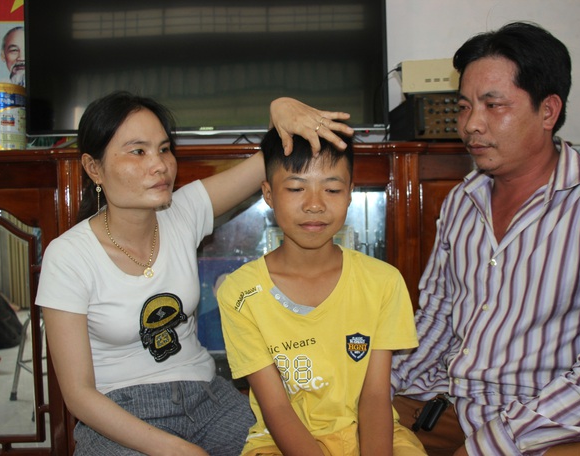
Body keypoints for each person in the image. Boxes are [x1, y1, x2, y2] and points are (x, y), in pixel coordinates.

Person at [35, 91, 354, 455]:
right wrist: (174, 448)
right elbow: (78, 394)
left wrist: (278, 108)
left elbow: (266, 159)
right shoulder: (68, 256)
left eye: (164, 149)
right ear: (94, 168)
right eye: (138, 151)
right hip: (120, 415)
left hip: (208, 399)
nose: (160, 165)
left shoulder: (182, 213)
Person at [391, 21, 580, 456]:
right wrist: (377, 385)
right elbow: (436, 317)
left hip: (556, 422)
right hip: (453, 401)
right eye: (464, 107)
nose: (471, 125)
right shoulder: (462, 201)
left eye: (493, 105)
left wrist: (498, 442)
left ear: (548, 111)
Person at [217, 129, 426, 456]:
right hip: (280, 442)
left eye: (331, 189)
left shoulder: (383, 281)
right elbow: (276, 407)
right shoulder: (239, 292)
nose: (315, 204)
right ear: (268, 194)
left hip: (369, 432)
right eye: (297, 188)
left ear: (350, 193)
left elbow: (373, 397)